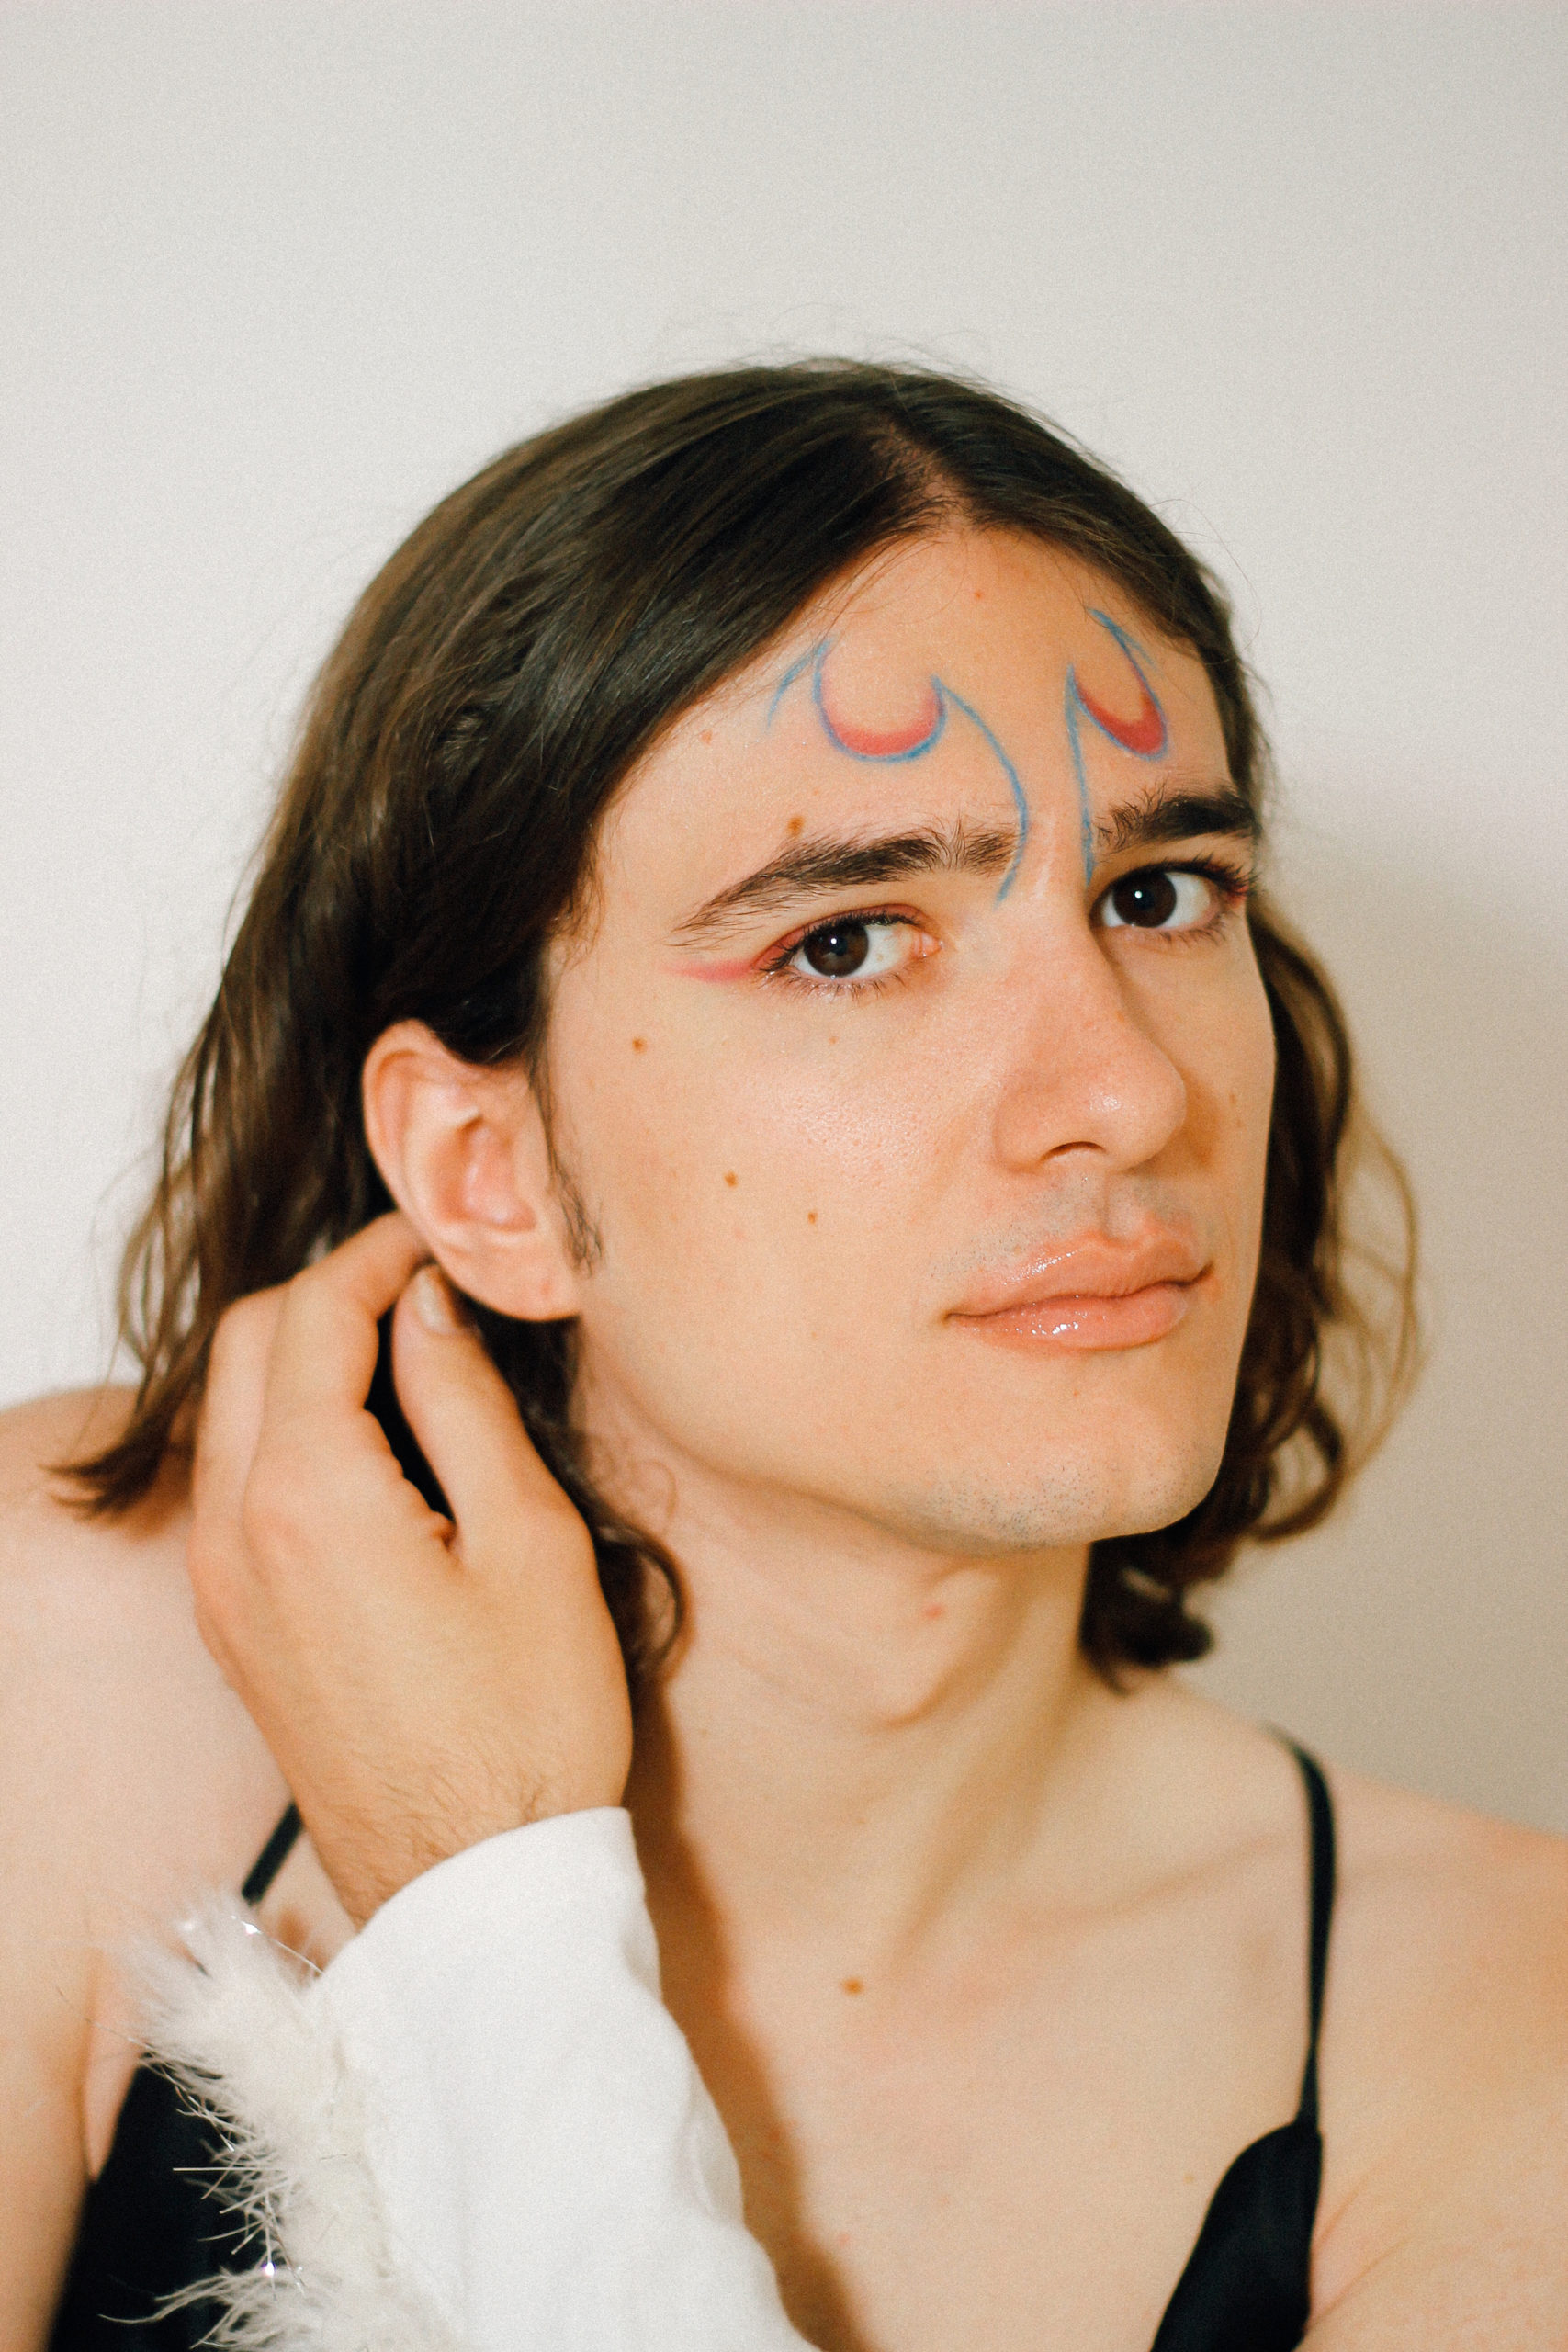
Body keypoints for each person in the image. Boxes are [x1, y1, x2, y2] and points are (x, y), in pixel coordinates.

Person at [3, 362, 1564, 2351]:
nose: (1126, 1089)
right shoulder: (69, 1653)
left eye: (1159, 894)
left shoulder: (1507, 2026)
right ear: (489, 1170)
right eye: (846, 940)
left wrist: (487, 1908)